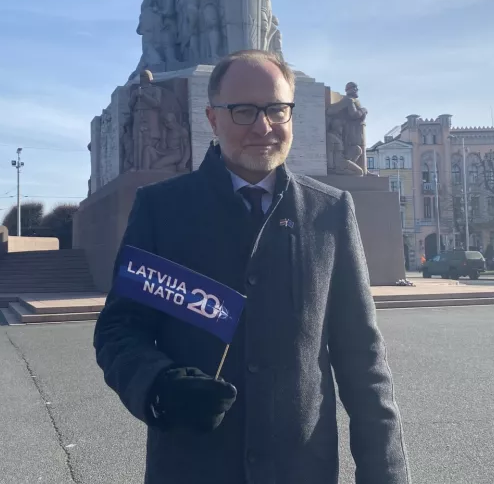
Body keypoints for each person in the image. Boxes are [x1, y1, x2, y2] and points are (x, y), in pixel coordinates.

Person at [94, 50, 411, 484]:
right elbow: (119, 330)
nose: (263, 127)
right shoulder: (161, 209)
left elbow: (362, 358)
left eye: (276, 109)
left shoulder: (329, 211)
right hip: (192, 468)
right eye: (243, 111)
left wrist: (386, 475)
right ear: (212, 118)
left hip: (301, 471)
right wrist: (158, 384)